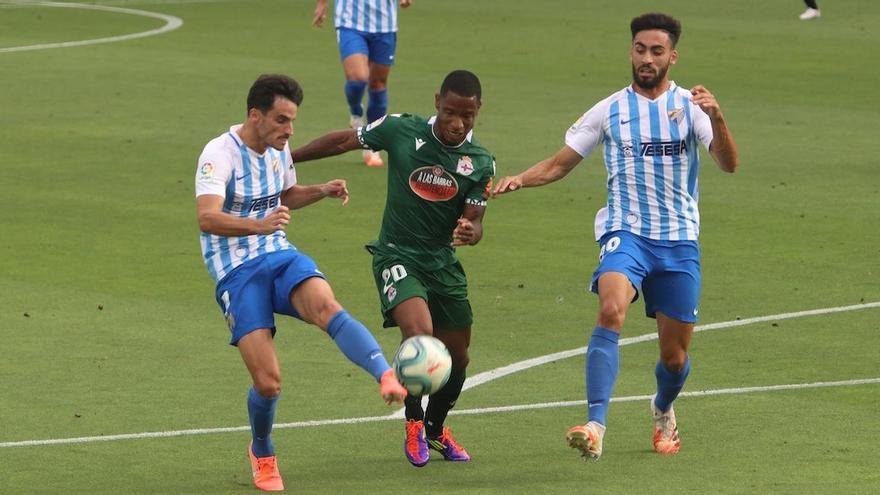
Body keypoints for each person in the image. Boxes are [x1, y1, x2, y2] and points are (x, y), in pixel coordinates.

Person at [492, 13, 738, 461]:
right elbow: (561, 162)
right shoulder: (610, 110)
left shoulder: (691, 106)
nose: (647, 58)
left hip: (679, 241)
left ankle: (663, 408)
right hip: (625, 233)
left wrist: (718, 118)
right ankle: (596, 424)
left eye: (657, 51)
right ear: (631, 51)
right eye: (640, 49)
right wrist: (521, 179)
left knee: (675, 359)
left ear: (672, 56)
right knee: (610, 308)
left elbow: (728, 163)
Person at [195, 74, 407, 491]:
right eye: (281, 120)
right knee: (269, 382)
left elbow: (285, 196)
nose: (289, 130)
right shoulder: (219, 154)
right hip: (235, 271)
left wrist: (322, 190)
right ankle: (262, 449)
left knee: (326, 305)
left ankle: (384, 374)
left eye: (292, 120)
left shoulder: (279, 149)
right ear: (255, 115)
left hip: (279, 254)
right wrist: (258, 225)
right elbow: (207, 217)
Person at [291, 70, 495, 467]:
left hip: (442, 263)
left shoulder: (481, 162)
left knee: (458, 357)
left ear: (478, 111)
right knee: (420, 338)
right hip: (396, 254)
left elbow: (476, 219)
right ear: (437, 101)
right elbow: (346, 140)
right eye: (450, 112)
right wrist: (290, 155)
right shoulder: (401, 129)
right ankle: (414, 422)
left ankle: (436, 428)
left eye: (467, 116)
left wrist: (472, 230)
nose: (457, 123)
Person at [312, 0, 413, 167]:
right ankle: (356, 116)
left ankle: (373, 144)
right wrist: (322, 4)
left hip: (385, 25)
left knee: (378, 84)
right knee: (358, 78)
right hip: (350, 21)